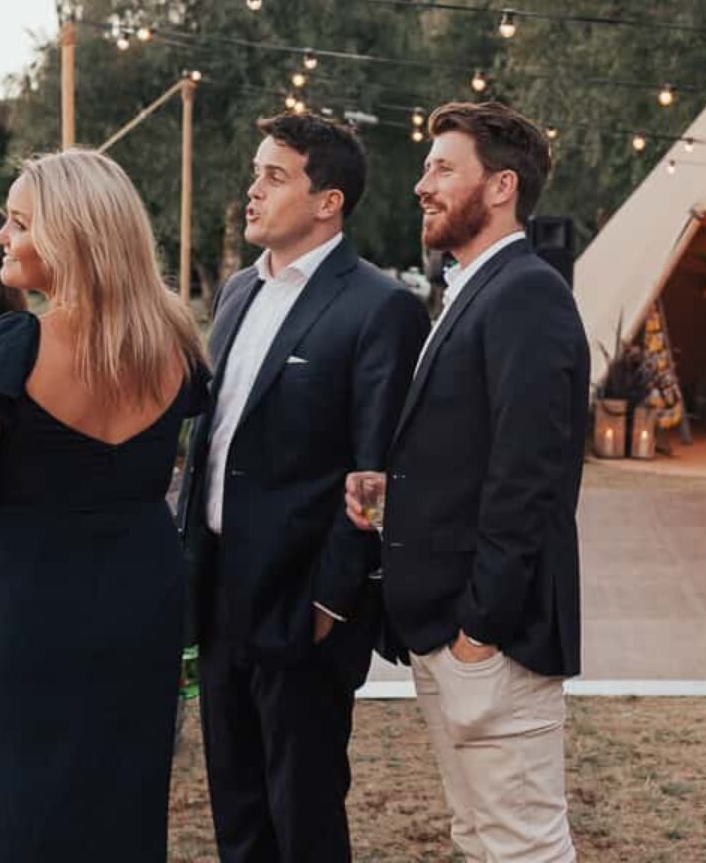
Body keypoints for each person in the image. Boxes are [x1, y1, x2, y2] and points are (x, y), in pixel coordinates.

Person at [0, 149, 209, 862]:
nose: (0, 239)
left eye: (18, 223)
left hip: (20, 610)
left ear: (71, 236)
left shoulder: (15, 342)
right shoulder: (173, 340)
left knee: (3, 811)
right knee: (116, 805)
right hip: (137, 608)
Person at [176, 114, 429, 863]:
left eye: (274, 176)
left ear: (329, 201)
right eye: (256, 173)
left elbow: (379, 469)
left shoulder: (379, 307)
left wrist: (331, 602)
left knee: (305, 811)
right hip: (219, 587)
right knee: (237, 808)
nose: (252, 192)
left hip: (304, 600)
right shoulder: (235, 294)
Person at [347, 101, 587, 863]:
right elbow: (470, 450)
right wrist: (392, 492)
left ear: (501, 186)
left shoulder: (527, 293)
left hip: (494, 643)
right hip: (444, 633)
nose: (423, 184)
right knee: (479, 837)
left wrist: (479, 631)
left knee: (521, 848)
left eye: (443, 167)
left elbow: (531, 476)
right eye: (426, 167)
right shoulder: (471, 292)